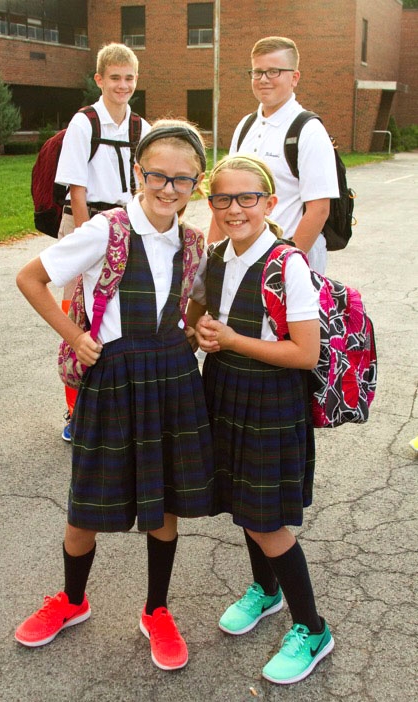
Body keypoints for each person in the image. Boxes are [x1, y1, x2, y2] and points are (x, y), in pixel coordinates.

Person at [14, 120, 214, 672]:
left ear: (197, 183)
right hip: (114, 375)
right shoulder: (108, 230)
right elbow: (30, 277)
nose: (168, 188)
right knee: (87, 505)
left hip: (173, 375)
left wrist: (192, 329)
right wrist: (75, 336)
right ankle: (73, 600)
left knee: (164, 502)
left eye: (182, 179)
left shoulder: (195, 243)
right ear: (138, 173)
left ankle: (156, 609)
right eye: (157, 175)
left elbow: (194, 300)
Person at [192, 154, 334, 685]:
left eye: (247, 197)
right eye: (223, 198)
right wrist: (201, 335)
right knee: (241, 501)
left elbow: (305, 354)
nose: (235, 208)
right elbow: (201, 323)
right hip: (224, 390)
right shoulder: (215, 258)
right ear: (212, 204)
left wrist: (230, 340)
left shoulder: (286, 264)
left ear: (270, 203)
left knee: (267, 519)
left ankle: (313, 628)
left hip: (271, 398)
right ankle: (266, 591)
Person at [56, 41, 150, 442]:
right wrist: (84, 245)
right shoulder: (85, 122)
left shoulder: (138, 127)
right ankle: (75, 410)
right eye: (115, 77)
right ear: (100, 79)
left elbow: (147, 183)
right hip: (88, 224)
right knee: (79, 318)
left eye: (129, 78)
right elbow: (77, 188)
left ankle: (115, 404)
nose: (122, 85)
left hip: (125, 226)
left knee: (117, 316)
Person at [208, 36, 338, 276]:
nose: (264, 79)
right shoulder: (246, 126)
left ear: (294, 77)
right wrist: (210, 259)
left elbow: (319, 210)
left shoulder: (308, 130)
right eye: (257, 72)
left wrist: (283, 267)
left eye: (274, 71)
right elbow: (223, 198)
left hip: (291, 257)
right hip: (245, 258)